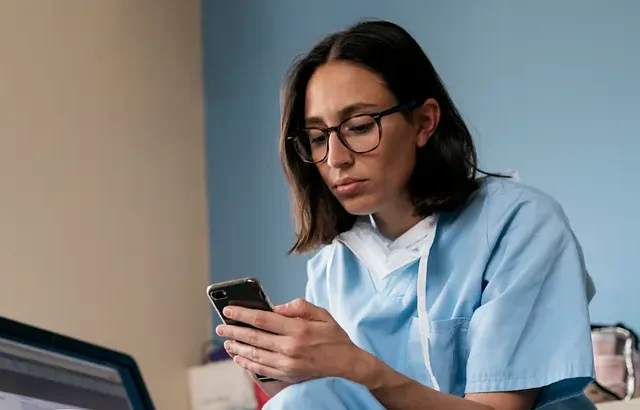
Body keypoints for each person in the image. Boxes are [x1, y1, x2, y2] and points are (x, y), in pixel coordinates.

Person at [215, 19, 597, 409]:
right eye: (317, 138)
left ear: (424, 122)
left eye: (360, 127)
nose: (335, 158)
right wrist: (286, 377)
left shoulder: (518, 225)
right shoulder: (332, 267)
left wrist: (361, 368)